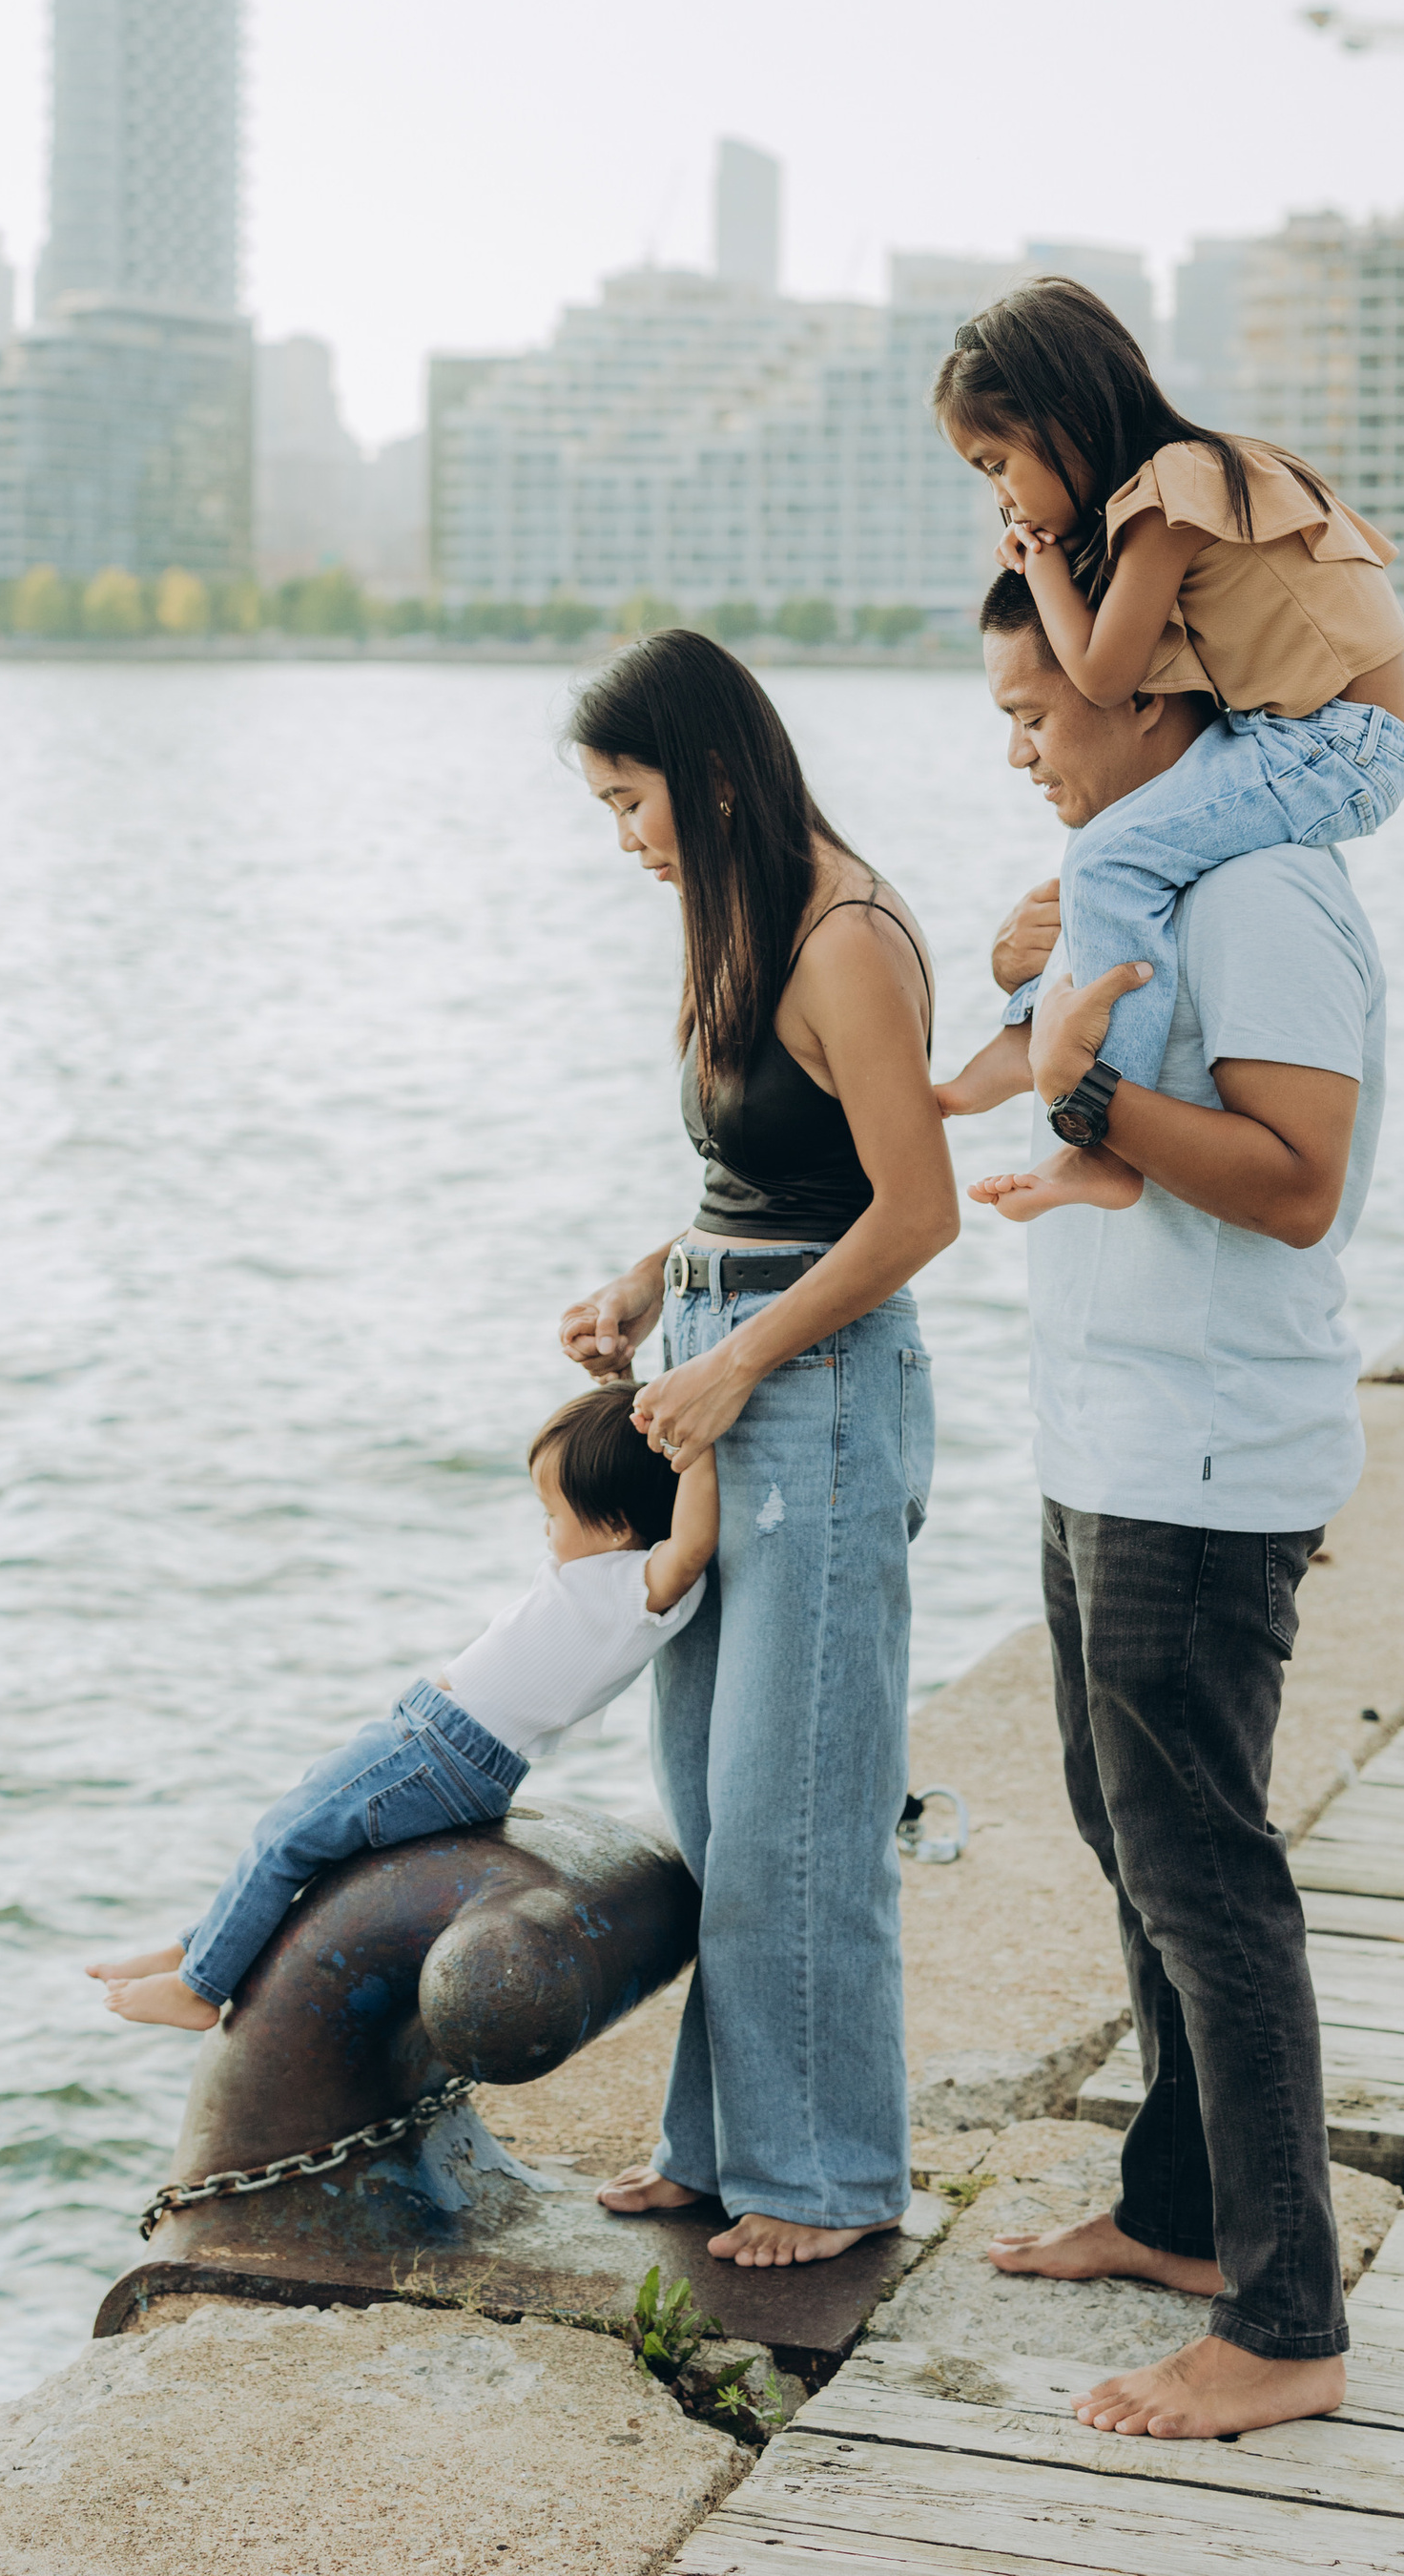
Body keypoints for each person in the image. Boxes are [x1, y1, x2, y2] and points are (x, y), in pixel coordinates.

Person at [950, 563, 1384, 2441]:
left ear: (1153, 693)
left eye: (1038, 715)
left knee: (1206, 1875)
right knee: (1124, 1835)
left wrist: (1080, 1102)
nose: (1021, 749)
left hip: (1206, 1452)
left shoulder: (1264, 890)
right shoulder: (1138, 885)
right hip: (1111, 1435)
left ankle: (1283, 2321)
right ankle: (1178, 2215)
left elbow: (1294, 1181)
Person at [559, 629, 958, 2272]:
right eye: (605, 811)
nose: (627, 839)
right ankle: (721, 2147)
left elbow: (914, 1211)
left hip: (820, 1395)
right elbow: (770, 1177)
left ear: (715, 775)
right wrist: (658, 1277)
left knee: (803, 1808)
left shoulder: (844, 936)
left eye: (633, 800)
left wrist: (734, 1360)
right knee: (719, 1802)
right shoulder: (744, 921)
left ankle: (831, 2178)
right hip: (731, 1367)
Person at [930, 275, 1404, 1217]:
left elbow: (1105, 675)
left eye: (997, 463)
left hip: (1340, 746)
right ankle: (1024, 1035)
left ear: (1065, 416)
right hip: (1315, 735)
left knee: (1112, 853)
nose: (999, 497)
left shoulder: (1172, 493)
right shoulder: (1204, 476)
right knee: (1107, 851)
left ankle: (1095, 1127)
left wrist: (1040, 572)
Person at [90, 1385, 717, 2030]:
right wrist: (639, 1392)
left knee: (285, 1838)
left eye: (551, 1515)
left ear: (615, 1526)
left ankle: (200, 1988)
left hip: (440, 1754)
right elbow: (632, 1465)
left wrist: (699, 1437)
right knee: (302, 1827)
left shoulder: (639, 1588)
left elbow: (692, 1543)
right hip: (431, 1743)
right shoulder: (605, 1568)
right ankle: (199, 1945)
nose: (545, 1529)